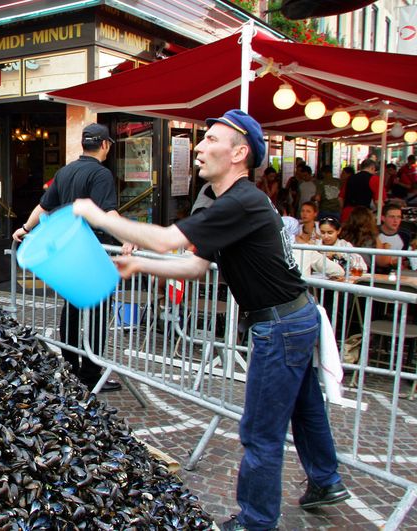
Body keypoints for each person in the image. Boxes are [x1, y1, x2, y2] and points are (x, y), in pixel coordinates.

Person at [72, 109, 349, 531]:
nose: (199, 148)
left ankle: (256, 521)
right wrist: (141, 267)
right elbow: (195, 266)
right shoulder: (232, 203)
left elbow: (168, 240)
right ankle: (326, 480)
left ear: (239, 154)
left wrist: (101, 216)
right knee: (305, 407)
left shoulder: (241, 199)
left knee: (259, 432)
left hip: (281, 325)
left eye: (211, 141)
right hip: (294, 317)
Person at [13, 123, 120, 392]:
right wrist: (130, 237)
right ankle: (91, 373)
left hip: (68, 252)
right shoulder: (101, 174)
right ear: (105, 145)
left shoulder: (65, 171)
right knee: (96, 312)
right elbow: (107, 214)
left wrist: (25, 228)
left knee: (71, 308)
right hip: (92, 251)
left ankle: (70, 367)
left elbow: (43, 205)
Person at [375, 203, 414, 273]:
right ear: (383, 218)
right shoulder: (374, 233)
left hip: (396, 271)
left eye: (398, 217)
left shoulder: (405, 234)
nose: (395, 221)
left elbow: (404, 256)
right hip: (376, 270)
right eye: (392, 217)